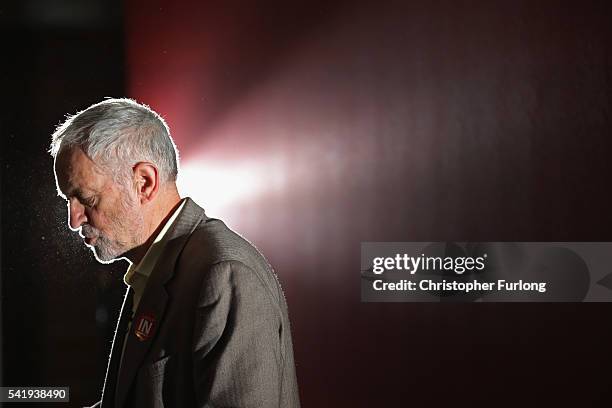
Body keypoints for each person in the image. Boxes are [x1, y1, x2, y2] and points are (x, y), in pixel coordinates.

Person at [49, 98, 300, 408]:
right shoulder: (156, 268)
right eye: (67, 200)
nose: (73, 221)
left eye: (85, 198)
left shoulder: (224, 273)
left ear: (144, 183)